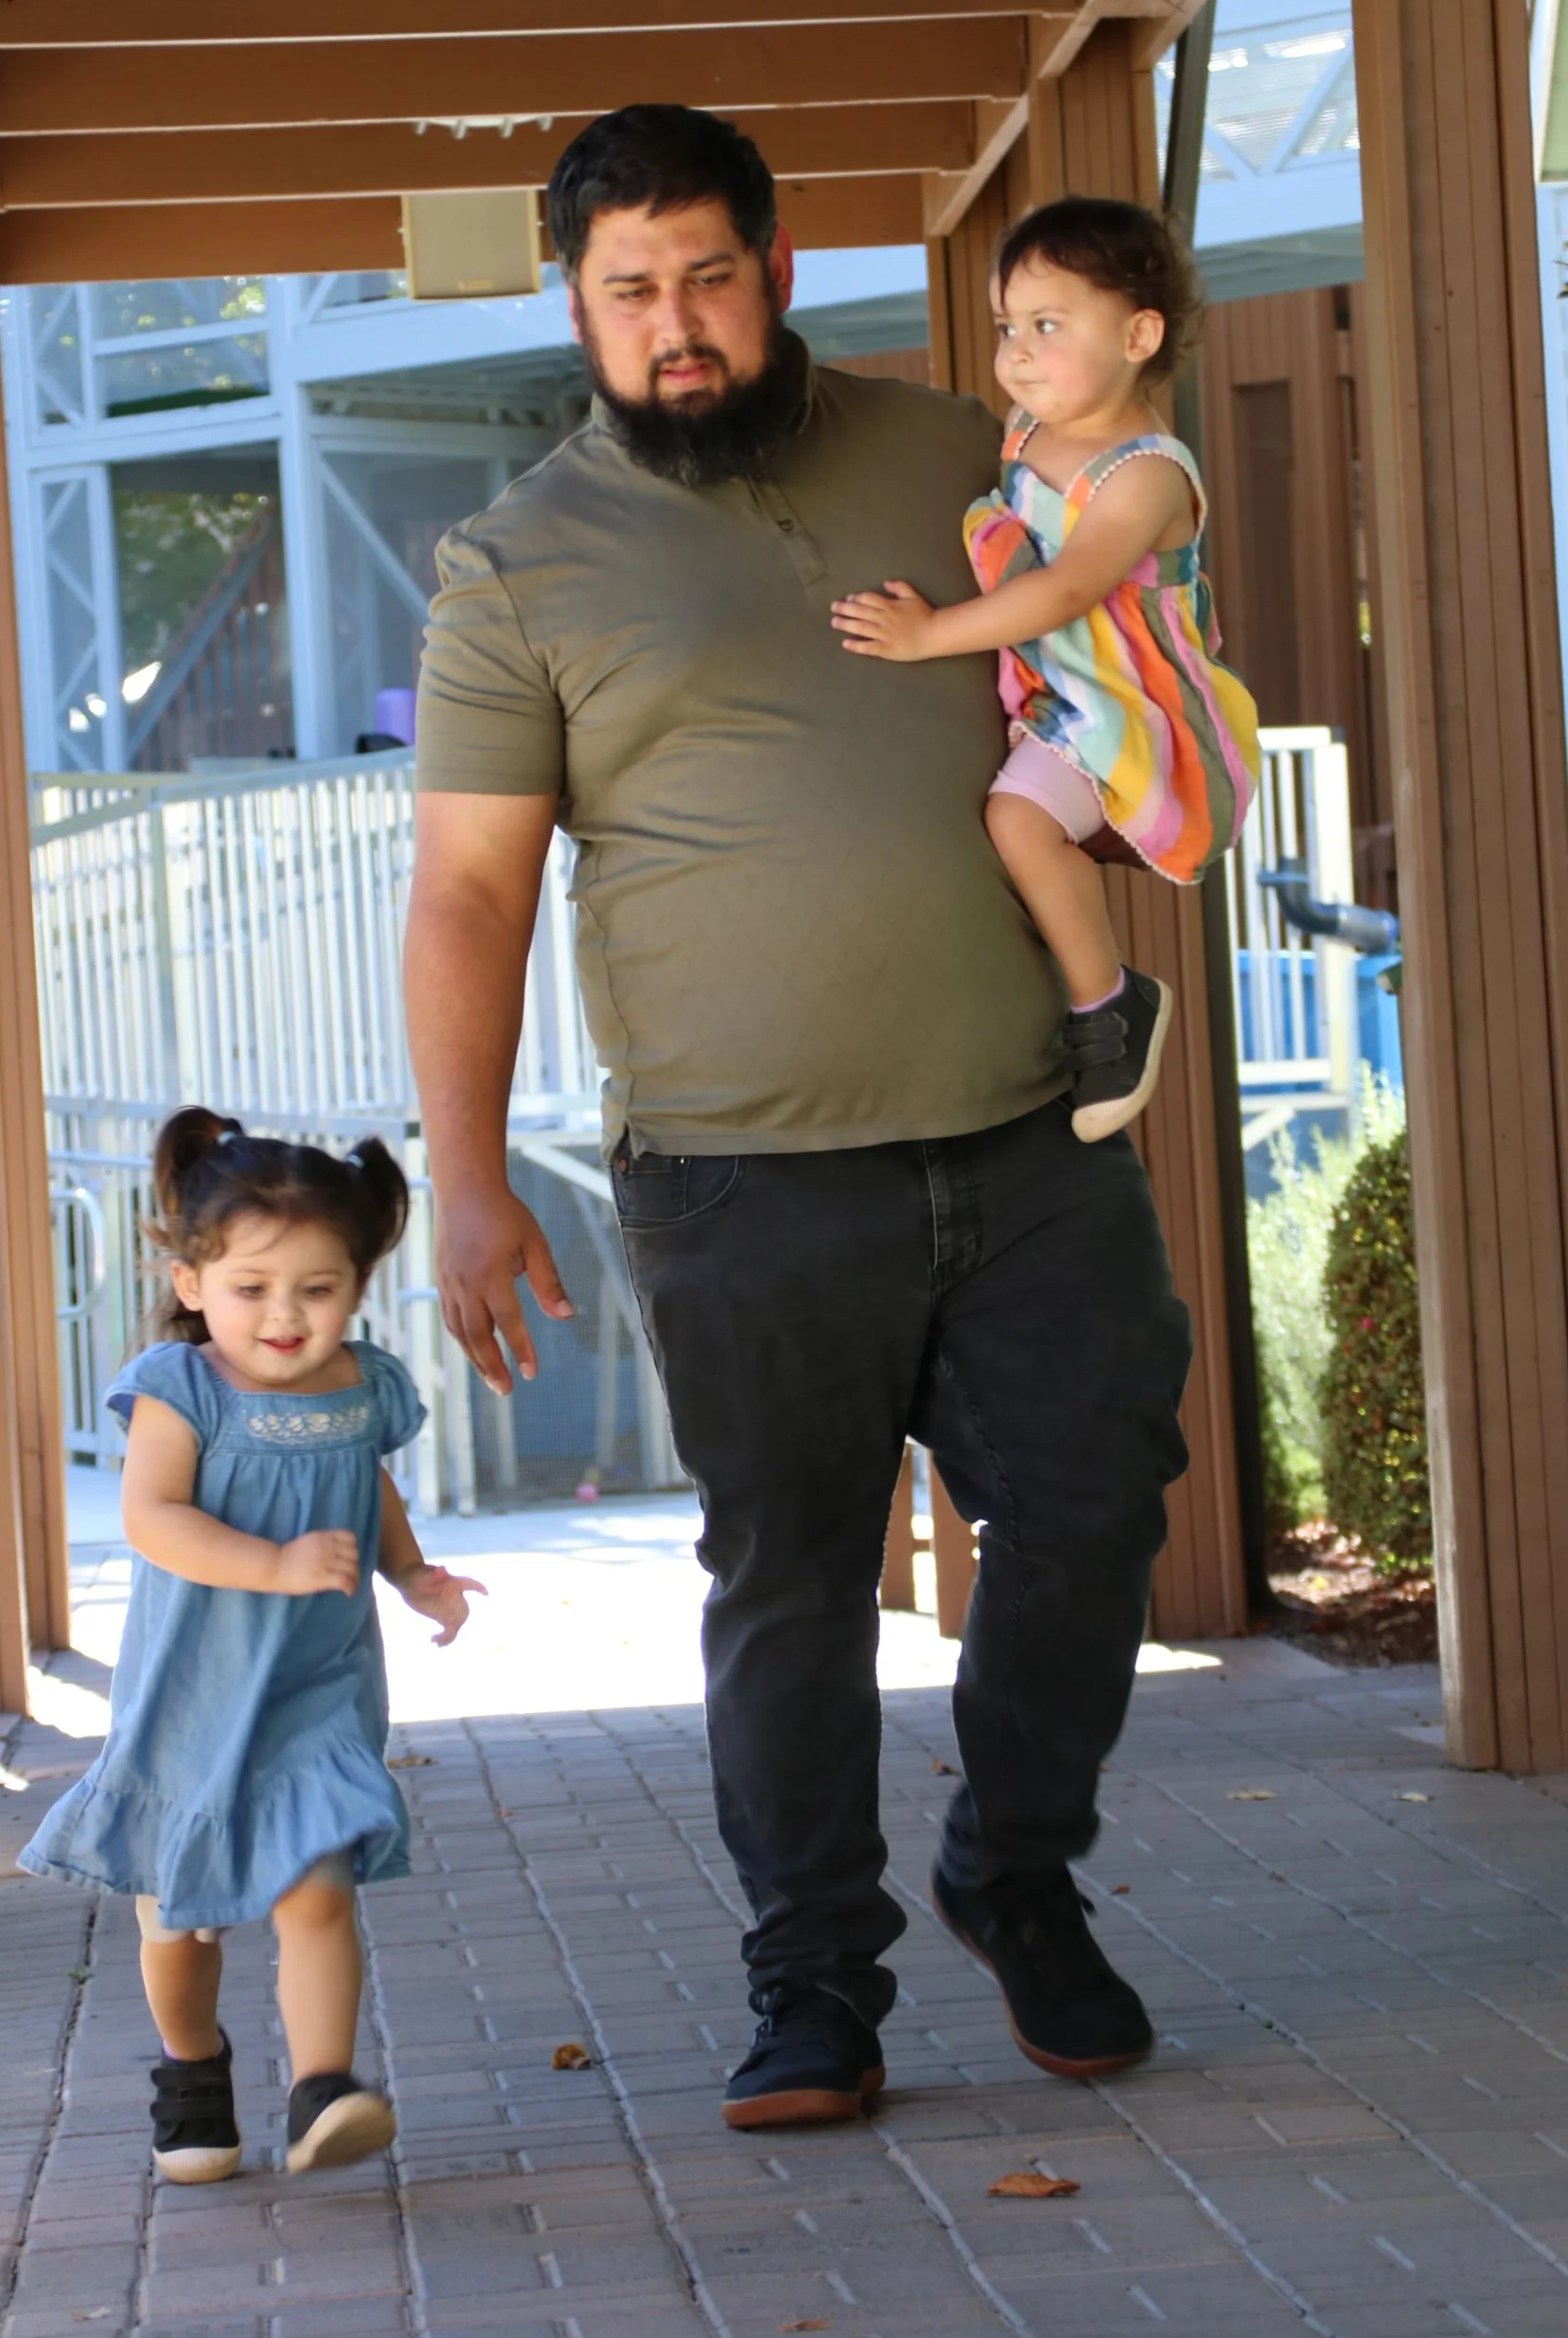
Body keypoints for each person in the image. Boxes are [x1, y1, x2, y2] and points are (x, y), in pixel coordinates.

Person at [407, 104, 1193, 2133]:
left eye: (709, 275)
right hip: (738, 1175)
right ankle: (811, 1987)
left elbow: (1128, 579)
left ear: (778, 265)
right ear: (576, 304)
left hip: (1031, 1134)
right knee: (789, 1582)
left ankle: (1011, 1867)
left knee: (1095, 1500)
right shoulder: (514, 560)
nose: (675, 325)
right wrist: (469, 1179)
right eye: (628, 290)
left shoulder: (955, 452)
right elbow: (473, 892)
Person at [20, 1110, 484, 2184]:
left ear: (357, 1290)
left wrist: (412, 1574)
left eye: (317, 1290)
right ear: (192, 1282)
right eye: (253, 1288)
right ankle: (193, 2062)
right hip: (192, 1700)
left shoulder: (359, 1387)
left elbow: (367, 1482)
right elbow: (152, 1518)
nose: (287, 1315)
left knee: (317, 1885)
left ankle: (324, 2084)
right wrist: (273, 1564)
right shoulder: (178, 1390)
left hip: (318, 1692)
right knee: (181, 1927)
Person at [833, 196, 1261, 1142]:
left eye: (1048, 324)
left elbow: (1068, 589)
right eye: (1007, 327)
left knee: (1016, 822)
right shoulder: (1027, 432)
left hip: (1123, 701)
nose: (1018, 351)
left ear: (1138, 335)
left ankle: (1106, 1004)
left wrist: (927, 634)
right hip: (1054, 689)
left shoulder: (1145, 472)